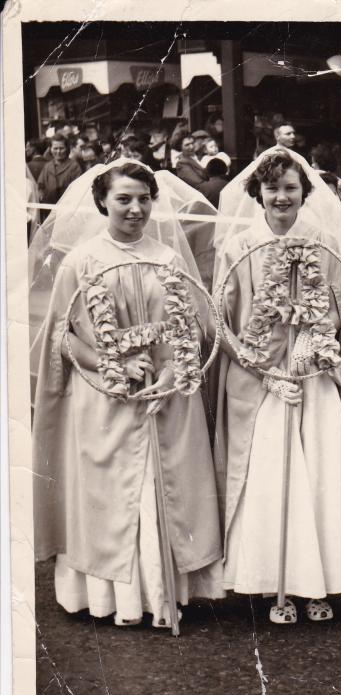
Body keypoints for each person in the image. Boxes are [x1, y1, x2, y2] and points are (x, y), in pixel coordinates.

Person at [32, 159, 222, 627]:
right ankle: (113, 598)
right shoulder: (81, 261)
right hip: (105, 398)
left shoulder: (170, 259)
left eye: (143, 198)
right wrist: (110, 362)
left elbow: (192, 328)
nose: (136, 208)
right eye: (123, 199)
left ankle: (164, 595)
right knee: (114, 491)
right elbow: (60, 335)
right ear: (102, 202)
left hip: (164, 395)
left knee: (164, 487)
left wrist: (174, 369)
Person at [214, 147, 341, 625]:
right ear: (257, 193)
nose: (282, 197)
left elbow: (339, 312)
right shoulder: (238, 247)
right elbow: (221, 321)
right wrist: (264, 371)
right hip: (262, 381)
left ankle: (316, 583)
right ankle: (277, 582)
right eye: (272, 187)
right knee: (270, 477)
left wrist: (310, 350)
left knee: (318, 473)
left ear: (305, 193)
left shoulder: (322, 242)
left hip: (312, 375)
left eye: (291, 188)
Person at [37, 135, 82, 205]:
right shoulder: (47, 166)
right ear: (50, 149)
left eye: (61, 148)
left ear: (67, 148)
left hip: (67, 206)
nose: (58, 151)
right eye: (55, 148)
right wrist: (41, 195)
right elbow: (40, 186)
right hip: (49, 208)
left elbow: (77, 190)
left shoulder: (74, 166)